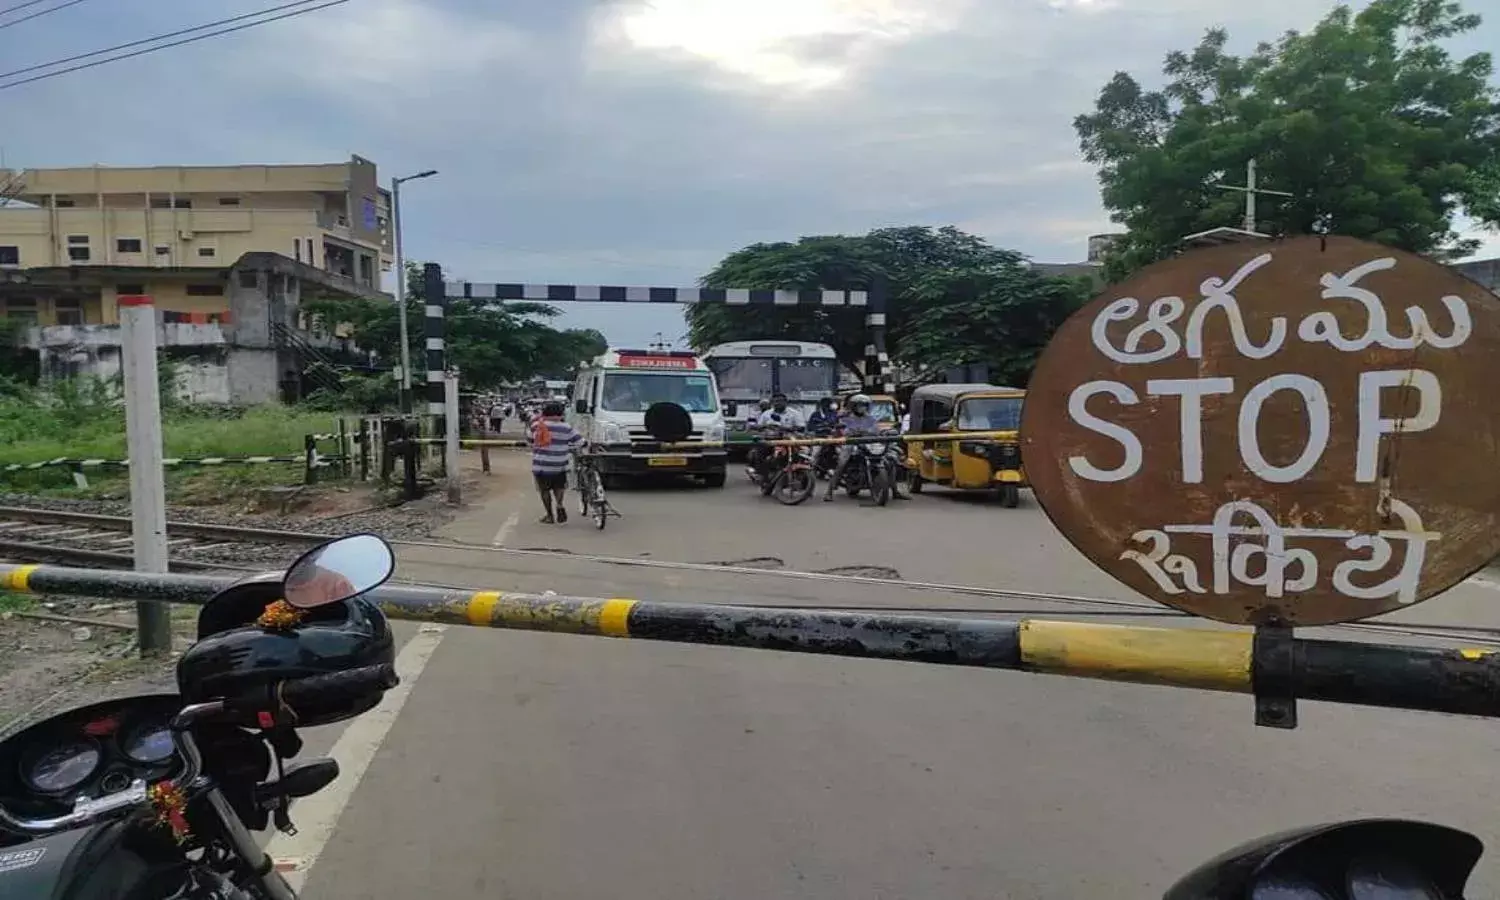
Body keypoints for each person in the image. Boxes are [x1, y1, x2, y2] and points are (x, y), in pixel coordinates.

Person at [824, 393, 905, 502]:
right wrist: (852, 432)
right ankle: (829, 491)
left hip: (870, 443)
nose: (862, 408)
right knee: (842, 462)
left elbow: (876, 431)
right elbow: (846, 431)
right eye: (859, 405)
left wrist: (884, 433)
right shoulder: (847, 418)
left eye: (864, 405)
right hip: (852, 443)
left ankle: (895, 491)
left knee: (890, 460)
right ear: (854, 406)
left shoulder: (870, 418)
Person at [527, 401, 583, 524]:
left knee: (544, 490)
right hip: (559, 464)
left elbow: (530, 439)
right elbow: (579, 441)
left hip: (541, 465)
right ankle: (559, 504)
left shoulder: (536, 425)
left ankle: (549, 515)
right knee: (559, 487)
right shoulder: (566, 427)